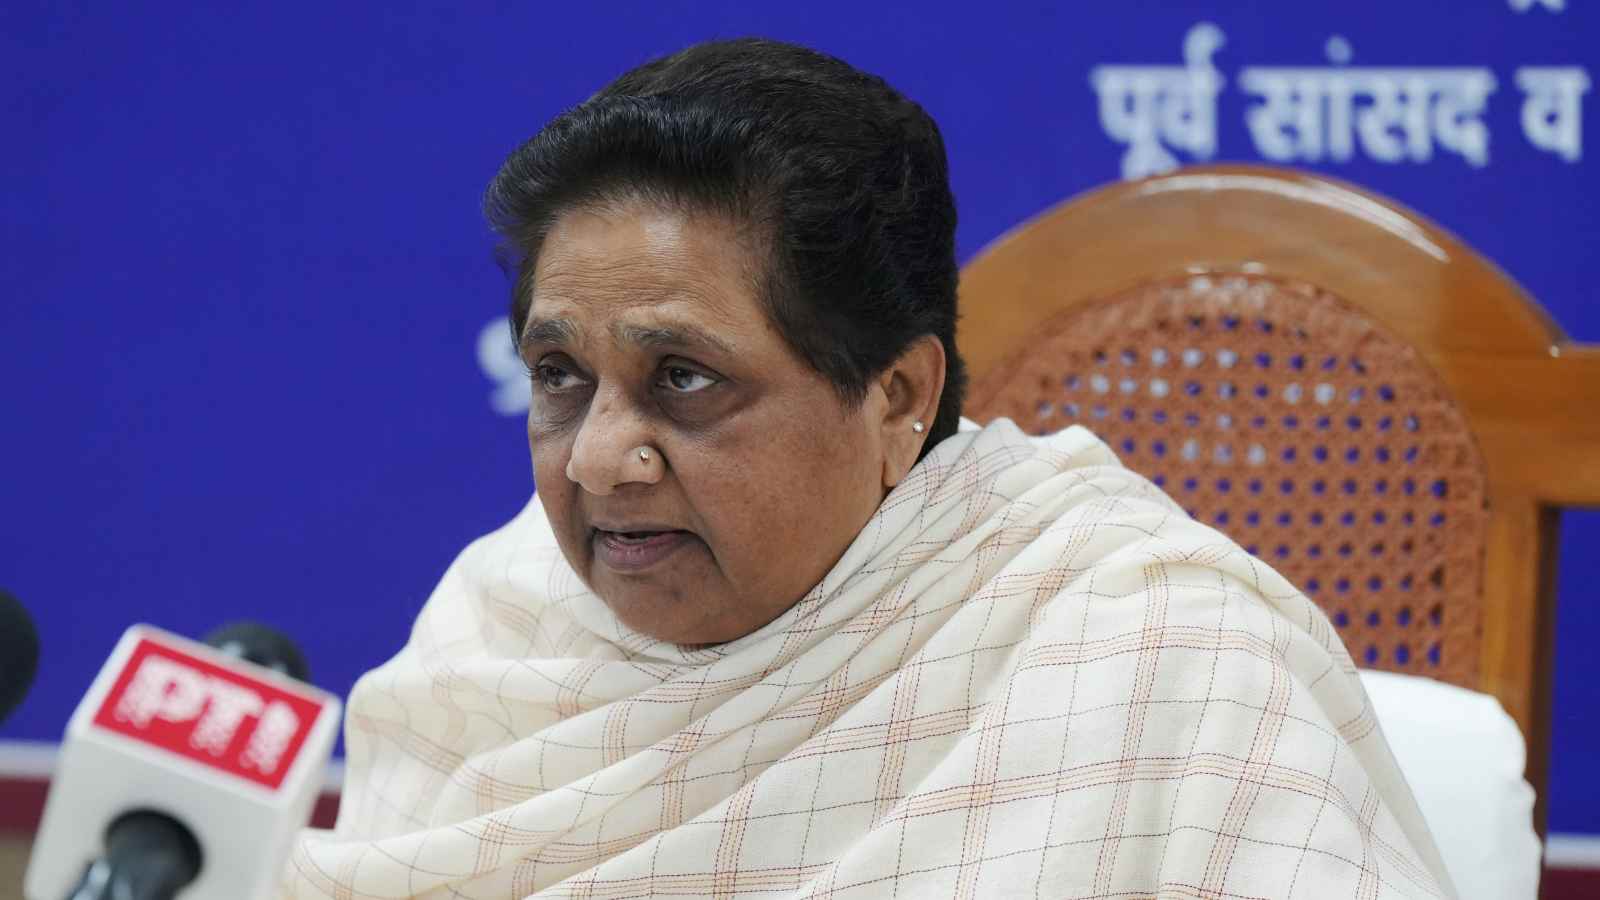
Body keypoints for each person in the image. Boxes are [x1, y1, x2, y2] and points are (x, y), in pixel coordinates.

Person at [282, 38, 1451, 898]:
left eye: (684, 377)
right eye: (558, 374)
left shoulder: (1157, 658)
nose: (598, 460)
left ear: (897, 397)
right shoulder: (499, 625)